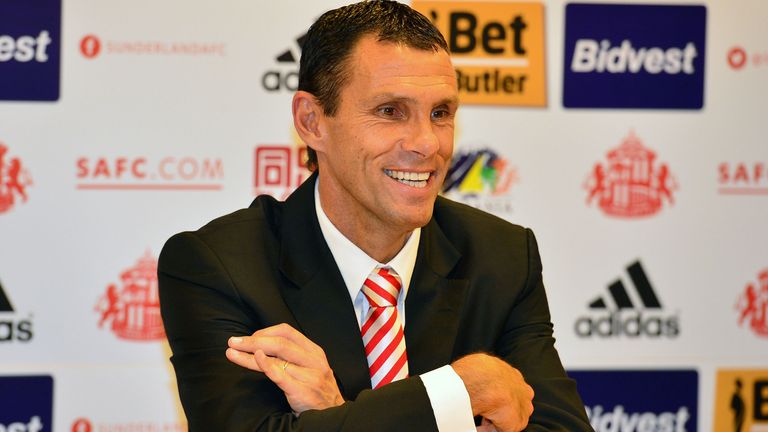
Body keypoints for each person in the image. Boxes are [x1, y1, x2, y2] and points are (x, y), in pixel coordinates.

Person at [158, 1, 592, 431]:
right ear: (312, 122)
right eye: (390, 112)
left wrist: (334, 409)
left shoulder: (502, 256)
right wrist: (462, 389)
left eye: (440, 114)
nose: (427, 144)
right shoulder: (217, 266)